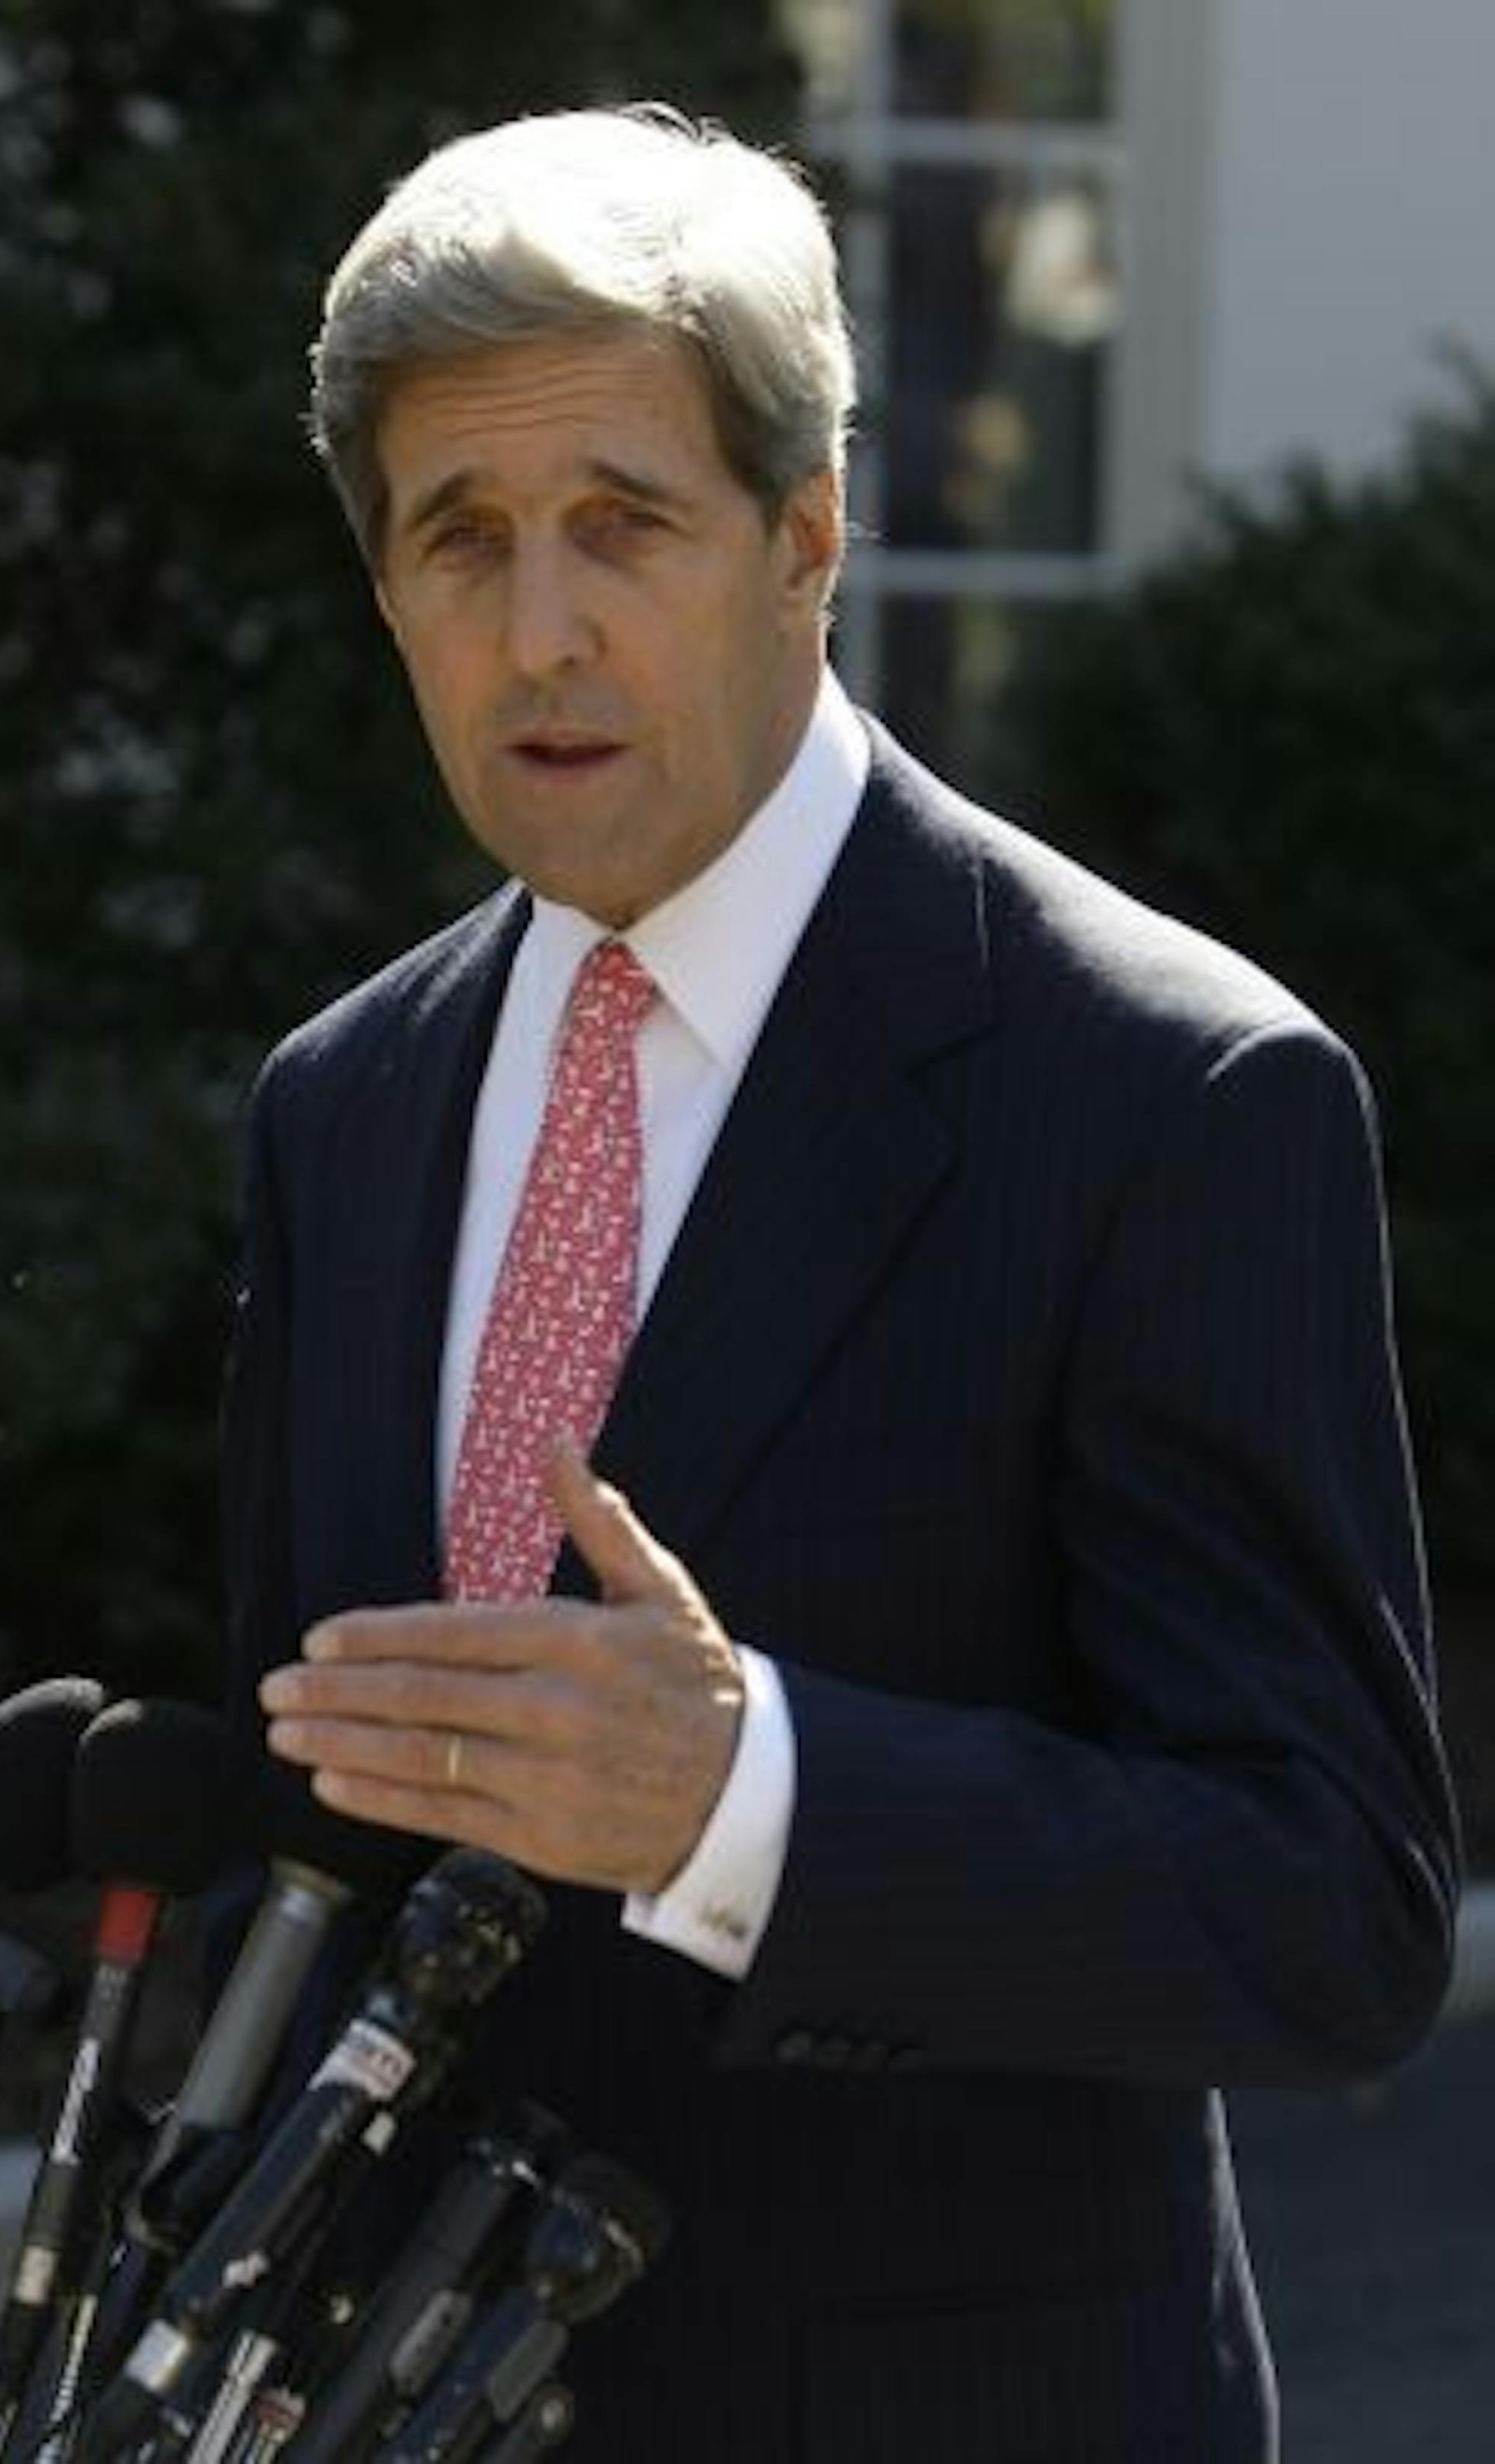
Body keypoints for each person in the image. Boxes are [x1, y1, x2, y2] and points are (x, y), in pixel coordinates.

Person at [224, 104, 1459, 2462]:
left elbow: (1334, 1915)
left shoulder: (1169, 1089)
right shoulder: (341, 1101)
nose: (541, 624)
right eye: (459, 539)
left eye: (623, 524)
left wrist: (745, 1798)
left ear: (809, 540)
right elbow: (333, 1827)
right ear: (384, 593)